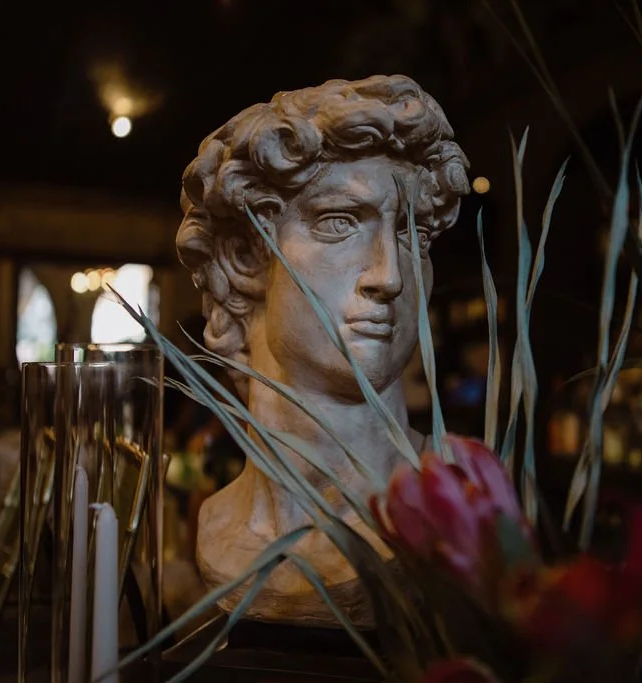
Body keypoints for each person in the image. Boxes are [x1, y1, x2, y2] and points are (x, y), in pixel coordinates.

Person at [175, 74, 470, 624]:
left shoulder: (470, 505)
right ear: (246, 257)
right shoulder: (219, 524)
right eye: (340, 223)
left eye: (411, 234)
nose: (389, 276)